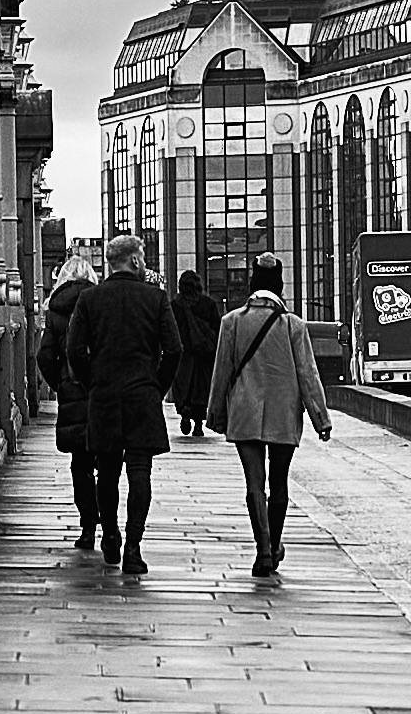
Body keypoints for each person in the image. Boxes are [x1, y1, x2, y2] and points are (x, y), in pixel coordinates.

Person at [206, 243, 333, 575]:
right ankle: (275, 544)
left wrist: (216, 413)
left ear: (252, 283)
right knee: (279, 483)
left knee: (254, 484)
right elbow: (307, 373)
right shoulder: (293, 325)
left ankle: (262, 549)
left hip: (245, 412)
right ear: (279, 286)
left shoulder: (231, 321)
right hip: (283, 414)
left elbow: (221, 371)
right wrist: (321, 417)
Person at [64, 237, 183, 577]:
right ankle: (134, 547)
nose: (143, 262)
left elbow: (74, 351)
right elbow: (174, 350)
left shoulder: (90, 299)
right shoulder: (155, 298)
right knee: (140, 472)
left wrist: (92, 383)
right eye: (142, 257)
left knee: (108, 471)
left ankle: (110, 534)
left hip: (104, 396)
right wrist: (156, 385)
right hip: (142, 395)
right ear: (133, 260)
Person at [37, 256, 108, 555]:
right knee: (106, 462)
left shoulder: (56, 309)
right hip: (102, 391)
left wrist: (61, 385)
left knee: (80, 464)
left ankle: (87, 525)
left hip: (71, 389)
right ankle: (109, 523)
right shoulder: (101, 304)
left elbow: (44, 356)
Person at [166, 251, 226, 444]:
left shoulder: (175, 304)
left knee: (184, 387)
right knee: (201, 389)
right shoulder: (208, 304)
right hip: (204, 356)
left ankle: (184, 413)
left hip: (184, 355)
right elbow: (217, 328)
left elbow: (169, 329)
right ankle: (199, 423)